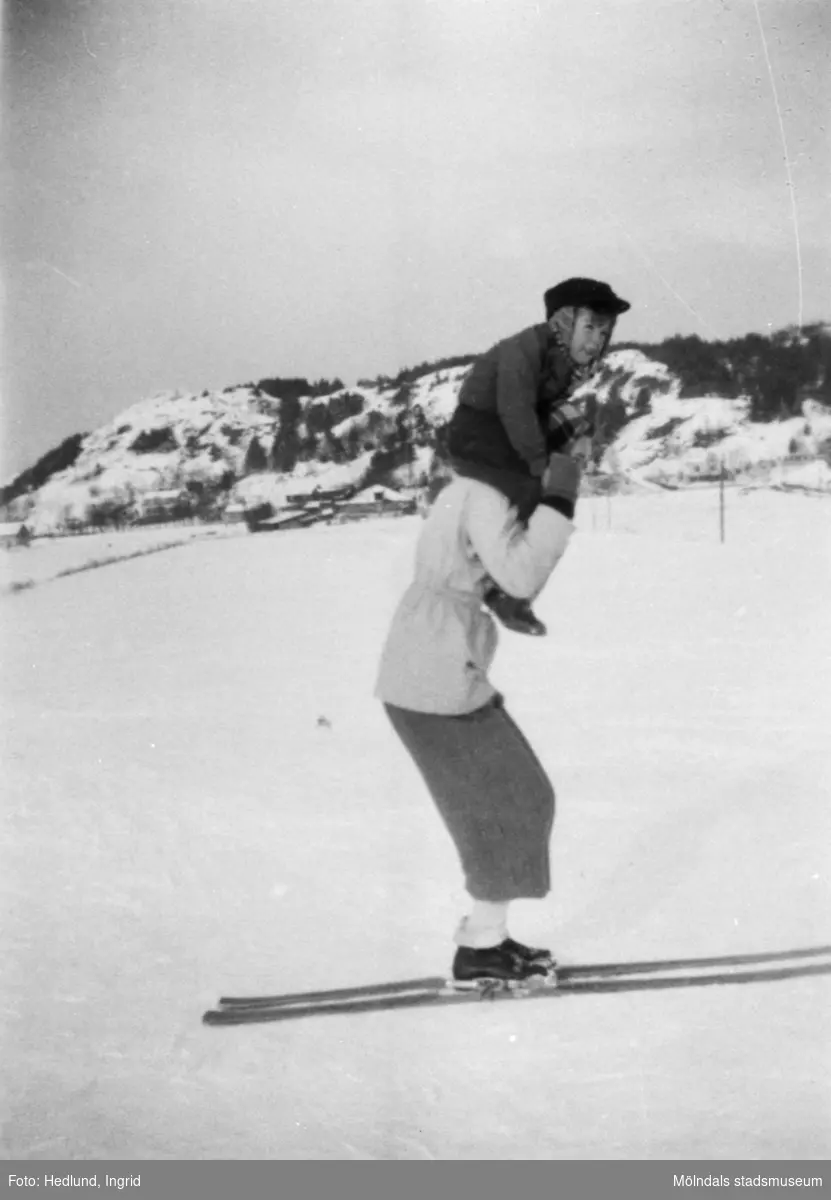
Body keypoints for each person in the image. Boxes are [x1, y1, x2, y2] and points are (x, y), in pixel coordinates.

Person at [374, 450, 583, 984]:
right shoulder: (485, 492)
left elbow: (478, 566)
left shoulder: (476, 488)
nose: (579, 455)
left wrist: (498, 598)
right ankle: (480, 949)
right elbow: (519, 571)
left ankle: (486, 940)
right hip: (433, 674)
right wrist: (560, 498)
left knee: (521, 798)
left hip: (437, 665)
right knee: (508, 802)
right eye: (571, 448)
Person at [446, 277, 630, 635]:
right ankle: (496, 585)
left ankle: (510, 582)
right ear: (563, 322)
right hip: (479, 434)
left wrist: (578, 435)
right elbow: (516, 411)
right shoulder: (523, 352)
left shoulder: (564, 359)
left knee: (564, 464)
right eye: (589, 327)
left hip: (513, 426)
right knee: (533, 492)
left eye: (604, 331)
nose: (597, 340)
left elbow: (544, 405)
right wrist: (540, 467)